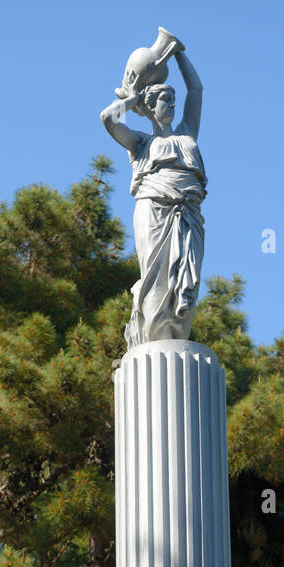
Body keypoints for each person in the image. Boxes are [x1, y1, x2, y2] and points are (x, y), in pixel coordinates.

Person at [100, 46, 206, 347]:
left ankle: (175, 337)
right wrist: (132, 98)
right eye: (164, 100)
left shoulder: (186, 136)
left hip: (188, 215)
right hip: (154, 211)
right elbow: (108, 118)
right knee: (156, 278)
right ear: (149, 106)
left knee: (186, 282)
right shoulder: (140, 143)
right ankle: (151, 339)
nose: (171, 104)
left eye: (173, 100)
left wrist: (179, 53)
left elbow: (196, 89)